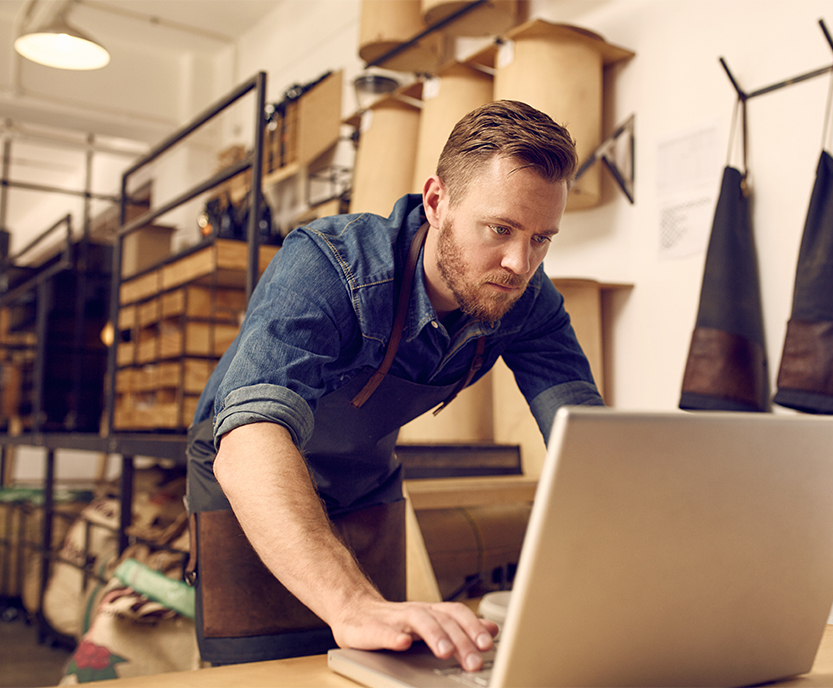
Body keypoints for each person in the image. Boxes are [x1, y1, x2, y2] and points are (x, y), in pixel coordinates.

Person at [184, 99, 604, 670]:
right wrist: (352, 602)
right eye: (500, 228)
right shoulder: (330, 265)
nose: (518, 262)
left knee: (383, 665)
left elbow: (586, 442)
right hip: (251, 485)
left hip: (364, 487)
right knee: (268, 673)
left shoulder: (525, 299)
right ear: (437, 202)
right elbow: (249, 440)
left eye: (541, 239)